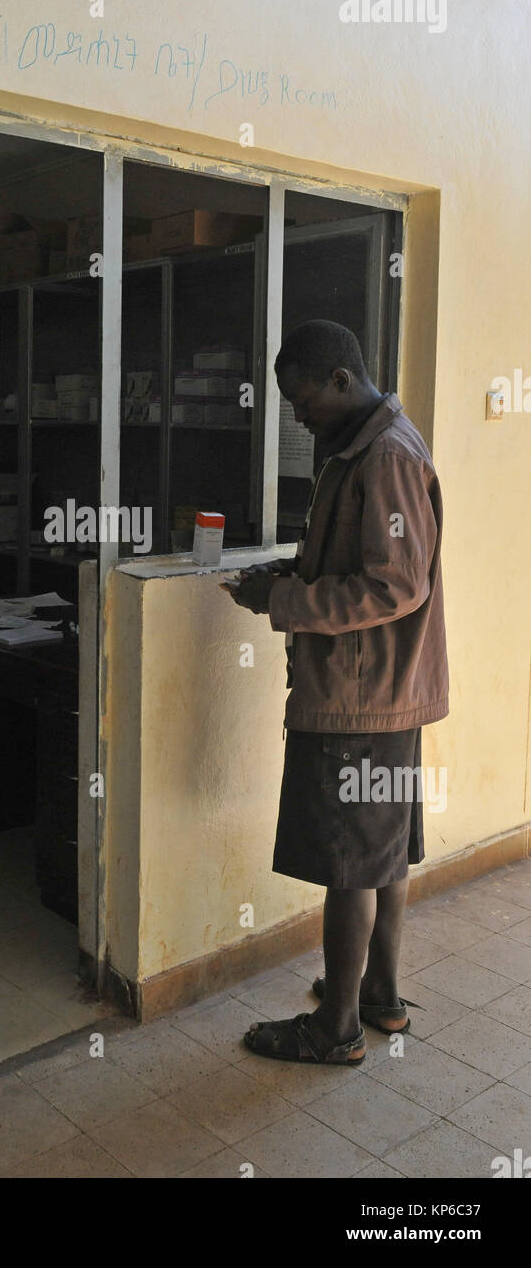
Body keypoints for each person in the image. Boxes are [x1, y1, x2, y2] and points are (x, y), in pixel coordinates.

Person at [221, 319, 448, 1065]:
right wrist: (291, 573)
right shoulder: (369, 446)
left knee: (351, 861)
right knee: (380, 855)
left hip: (361, 696)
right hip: (384, 690)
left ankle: (336, 1029)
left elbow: (395, 584)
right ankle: (378, 997)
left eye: (302, 398)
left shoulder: (382, 456)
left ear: (343, 381)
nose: (298, 415)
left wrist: (281, 602)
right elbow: (358, 559)